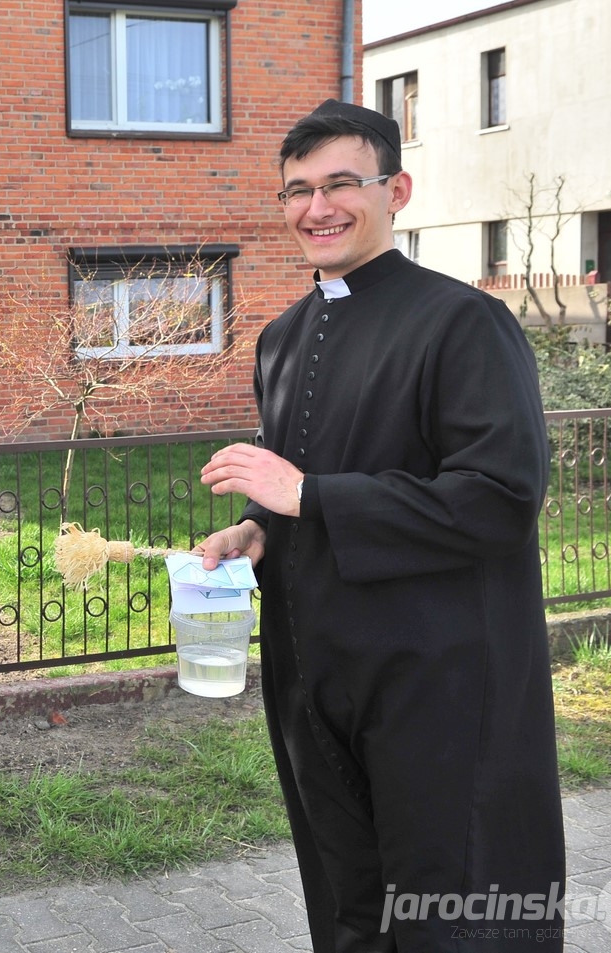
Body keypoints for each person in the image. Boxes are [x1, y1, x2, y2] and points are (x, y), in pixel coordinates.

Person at [195, 100, 563, 952]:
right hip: (315, 677)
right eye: (296, 191)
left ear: (395, 189)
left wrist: (307, 497)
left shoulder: (462, 321)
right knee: (347, 900)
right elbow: (302, 473)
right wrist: (257, 527)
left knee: (455, 904)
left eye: (339, 185)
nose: (315, 208)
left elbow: (500, 496)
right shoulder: (282, 337)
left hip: (434, 680)